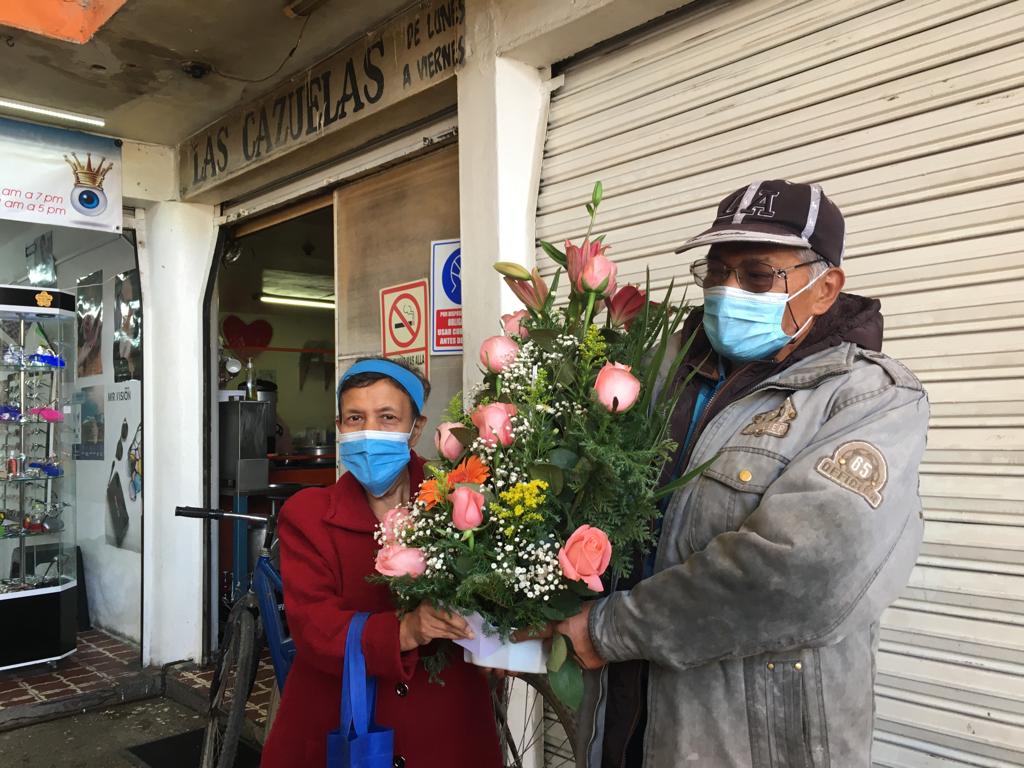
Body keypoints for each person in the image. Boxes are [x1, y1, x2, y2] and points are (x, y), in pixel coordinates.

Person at [556, 180, 929, 767]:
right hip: (627, 719)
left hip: (754, 739)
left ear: (826, 287)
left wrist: (611, 630)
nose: (727, 292)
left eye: (757, 275)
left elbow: (808, 568)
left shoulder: (868, 398)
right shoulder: (661, 374)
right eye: (716, 272)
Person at [261, 357, 503, 768]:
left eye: (387, 417)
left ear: (417, 428)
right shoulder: (308, 515)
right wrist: (405, 630)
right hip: (339, 724)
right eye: (355, 417)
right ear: (339, 427)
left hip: (446, 727)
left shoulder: (462, 499)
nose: (369, 431)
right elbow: (315, 627)